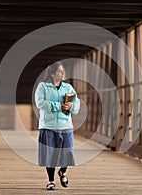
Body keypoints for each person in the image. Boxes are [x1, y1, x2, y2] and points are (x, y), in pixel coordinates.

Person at [35, 62, 80, 190]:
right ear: (53, 74)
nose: (63, 73)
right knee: (50, 155)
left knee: (68, 152)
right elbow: (40, 103)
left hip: (66, 125)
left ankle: (63, 172)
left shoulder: (68, 88)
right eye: (60, 71)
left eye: (63, 71)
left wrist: (71, 106)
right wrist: (58, 106)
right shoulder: (42, 87)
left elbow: (76, 103)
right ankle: (51, 181)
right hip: (48, 126)